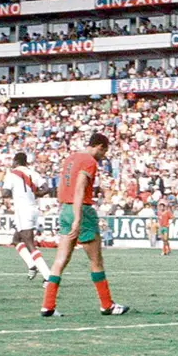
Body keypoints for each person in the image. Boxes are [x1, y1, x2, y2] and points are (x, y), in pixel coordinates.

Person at [41, 133, 129, 318]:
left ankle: (47, 306)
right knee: (96, 261)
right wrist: (78, 217)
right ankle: (107, 305)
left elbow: (62, 185)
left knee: (60, 261)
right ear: (99, 146)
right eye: (103, 151)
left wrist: (68, 211)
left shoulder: (70, 158)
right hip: (82, 210)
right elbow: (80, 187)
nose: (103, 156)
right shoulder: (89, 161)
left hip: (64, 208)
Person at [2, 152, 53, 281]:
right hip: (33, 209)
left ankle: (48, 276)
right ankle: (32, 265)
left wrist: (5, 190)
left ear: (15, 162)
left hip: (22, 210)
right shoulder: (34, 173)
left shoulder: (11, 174)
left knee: (29, 243)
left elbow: (5, 193)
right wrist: (38, 194)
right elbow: (47, 188)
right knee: (16, 239)